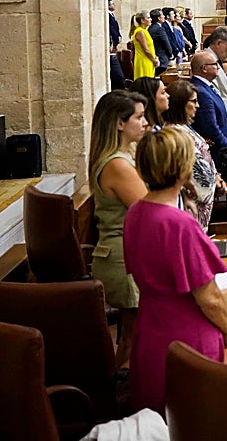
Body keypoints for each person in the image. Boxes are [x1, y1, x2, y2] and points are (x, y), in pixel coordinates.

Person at [124, 128, 227, 413]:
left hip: (150, 333)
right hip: (187, 341)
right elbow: (208, 298)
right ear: (183, 168)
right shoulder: (179, 224)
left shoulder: (135, 212)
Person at [89, 89, 149, 367]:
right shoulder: (117, 165)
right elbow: (152, 208)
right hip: (122, 258)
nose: (145, 122)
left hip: (130, 251)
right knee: (134, 339)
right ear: (119, 123)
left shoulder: (128, 153)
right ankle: (117, 393)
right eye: (139, 117)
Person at [161, 80, 223, 231]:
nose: (198, 106)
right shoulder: (176, 133)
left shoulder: (184, 127)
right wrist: (214, 180)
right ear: (180, 103)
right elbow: (197, 174)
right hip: (191, 209)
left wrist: (216, 176)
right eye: (194, 101)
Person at [189, 52, 227, 154]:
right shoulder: (201, 92)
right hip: (219, 152)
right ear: (204, 68)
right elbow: (210, 128)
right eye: (215, 64)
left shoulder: (206, 86)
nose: (218, 67)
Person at [130, 11, 157, 80]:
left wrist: (156, 58)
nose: (151, 19)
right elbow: (146, 49)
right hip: (144, 61)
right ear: (142, 20)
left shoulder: (145, 31)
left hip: (149, 60)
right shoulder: (140, 32)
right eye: (148, 18)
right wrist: (154, 60)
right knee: (145, 82)